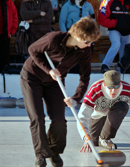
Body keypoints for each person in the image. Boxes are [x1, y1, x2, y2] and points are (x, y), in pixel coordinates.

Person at [20, 17, 100, 167]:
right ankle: (41, 154)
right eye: (87, 41)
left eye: (91, 42)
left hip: (55, 83)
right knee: (37, 118)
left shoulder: (84, 51)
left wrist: (76, 97)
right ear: (77, 36)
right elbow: (32, 50)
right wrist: (48, 69)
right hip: (32, 77)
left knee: (59, 119)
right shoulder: (54, 39)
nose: (89, 45)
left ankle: (54, 151)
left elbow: (85, 75)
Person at [65, 70, 130, 151]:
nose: (113, 91)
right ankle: (98, 138)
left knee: (122, 106)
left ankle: (105, 138)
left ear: (120, 84)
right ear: (104, 85)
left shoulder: (127, 90)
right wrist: (86, 137)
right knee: (94, 141)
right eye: (110, 87)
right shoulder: (95, 90)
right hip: (97, 117)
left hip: (113, 115)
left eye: (116, 87)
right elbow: (82, 117)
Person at [98, 0, 130, 73]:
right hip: (114, 30)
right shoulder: (107, 1)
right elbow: (101, 19)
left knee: (125, 50)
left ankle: (123, 68)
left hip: (127, 31)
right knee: (116, 44)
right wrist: (116, 23)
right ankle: (105, 65)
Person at [59, 0, 95, 73]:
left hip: (86, 35)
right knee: (73, 57)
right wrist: (65, 36)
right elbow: (62, 21)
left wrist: (93, 35)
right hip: (72, 35)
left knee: (85, 57)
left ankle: (84, 77)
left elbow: (93, 20)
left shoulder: (88, 6)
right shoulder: (67, 5)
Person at [0, 0, 18, 73]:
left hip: (5, 34)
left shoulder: (8, 2)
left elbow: (15, 17)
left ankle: (4, 72)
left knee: (4, 57)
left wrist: (11, 31)